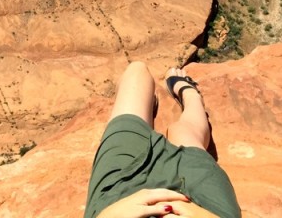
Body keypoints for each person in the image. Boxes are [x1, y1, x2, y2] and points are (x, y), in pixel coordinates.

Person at [84, 62, 241, 218]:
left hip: (121, 193)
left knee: (137, 72)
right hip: (204, 209)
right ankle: (190, 94)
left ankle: (149, 108)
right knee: (183, 132)